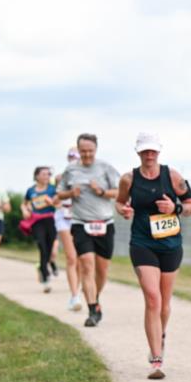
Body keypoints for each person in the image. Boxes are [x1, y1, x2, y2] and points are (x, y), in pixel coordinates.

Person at [116, 132, 191, 379]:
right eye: (144, 151)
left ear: (159, 152)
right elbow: (120, 203)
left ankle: (160, 333)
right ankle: (156, 358)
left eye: (152, 151)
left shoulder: (172, 176)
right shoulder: (128, 179)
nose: (149, 155)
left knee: (164, 302)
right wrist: (124, 210)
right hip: (142, 243)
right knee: (152, 298)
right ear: (138, 152)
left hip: (171, 244)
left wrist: (176, 208)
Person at [57, 133, 121, 326]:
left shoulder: (106, 168)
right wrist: (70, 192)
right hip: (80, 223)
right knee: (86, 265)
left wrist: (101, 191)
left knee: (102, 270)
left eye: (90, 151)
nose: (86, 155)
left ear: (96, 150)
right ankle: (92, 310)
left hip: (104, 222)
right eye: (83, 151)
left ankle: (95, 298)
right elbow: (59, 193)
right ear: (78, 150)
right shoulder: (70, 170)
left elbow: (120, 192)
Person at [54, 148, 83, 311]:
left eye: (76, 158)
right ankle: (74, 296)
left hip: (80, 219)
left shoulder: (87, 177)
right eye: (71, 157)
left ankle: (76, 290)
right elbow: (55, 197)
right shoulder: (61, 177)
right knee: (72, 257)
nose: (73, 160)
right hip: (64, 218)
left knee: (80, 260)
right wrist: (56, 201)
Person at [22, 166, 58, 293]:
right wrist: (25, 210)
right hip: (37, 221)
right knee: (42, 246)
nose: (46, 177)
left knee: (49, 249)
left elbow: (59, 205)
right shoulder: (31, 190)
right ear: (37, 176)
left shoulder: (53, 190)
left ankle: (44, 266)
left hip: (51, 220)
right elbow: (24, 203)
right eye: (43, 174)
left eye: (48, 174)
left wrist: (51, 202)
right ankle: (46, 278)